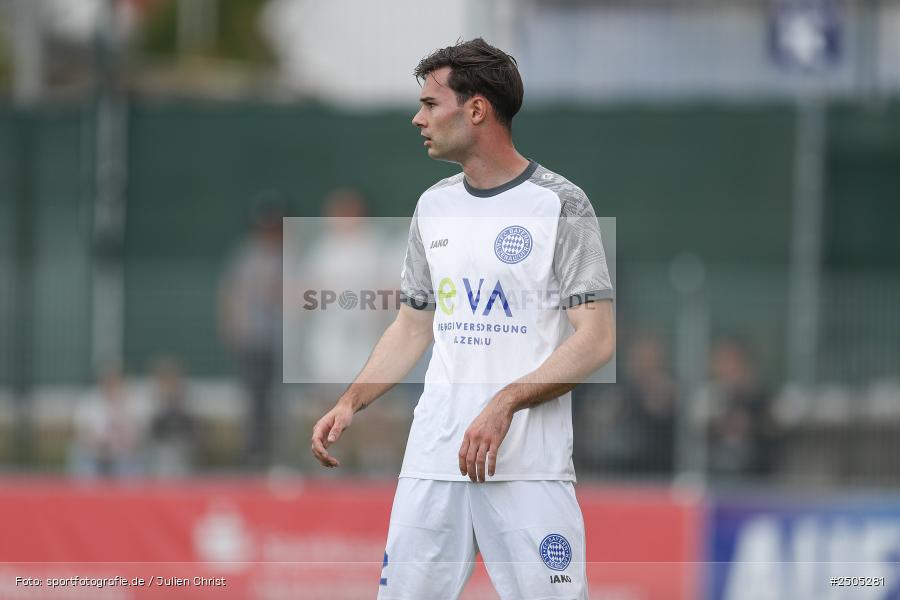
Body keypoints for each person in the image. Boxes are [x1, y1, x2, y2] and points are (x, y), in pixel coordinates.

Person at [310, 38, 615, 599]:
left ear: (475, 110)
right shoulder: (433, 207)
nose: (417, 118)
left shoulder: (561, 204)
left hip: (527, 466)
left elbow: (596, 339)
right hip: (433, 459)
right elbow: (412, 326)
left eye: (430, 104)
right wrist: (350, 401)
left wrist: (503, 403)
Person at [218, 192, 284, 467]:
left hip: (281, 341)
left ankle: (279, 453)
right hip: (254, 339)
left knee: (281, 401)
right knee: (254, 399)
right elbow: (233, 294)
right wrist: (234, 327)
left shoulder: (287, 255)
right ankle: (255, 454)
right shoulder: (246, 256)